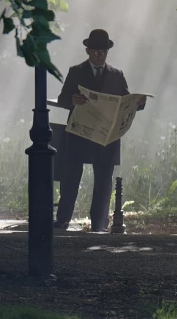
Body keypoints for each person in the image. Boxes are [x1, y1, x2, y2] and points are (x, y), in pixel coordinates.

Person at [54, 29, 146, 232]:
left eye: (103, 51)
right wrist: (72, 100)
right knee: (70, 177)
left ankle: (99, 223)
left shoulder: (116, 75)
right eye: (96, 51)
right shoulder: (76, 71)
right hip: (80, 133)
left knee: (104, 182)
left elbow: (126, 101)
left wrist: (138, 102)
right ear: (87, 50)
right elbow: (62, 98)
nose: (99, 55)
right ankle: (63, 220)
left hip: (106, 136)